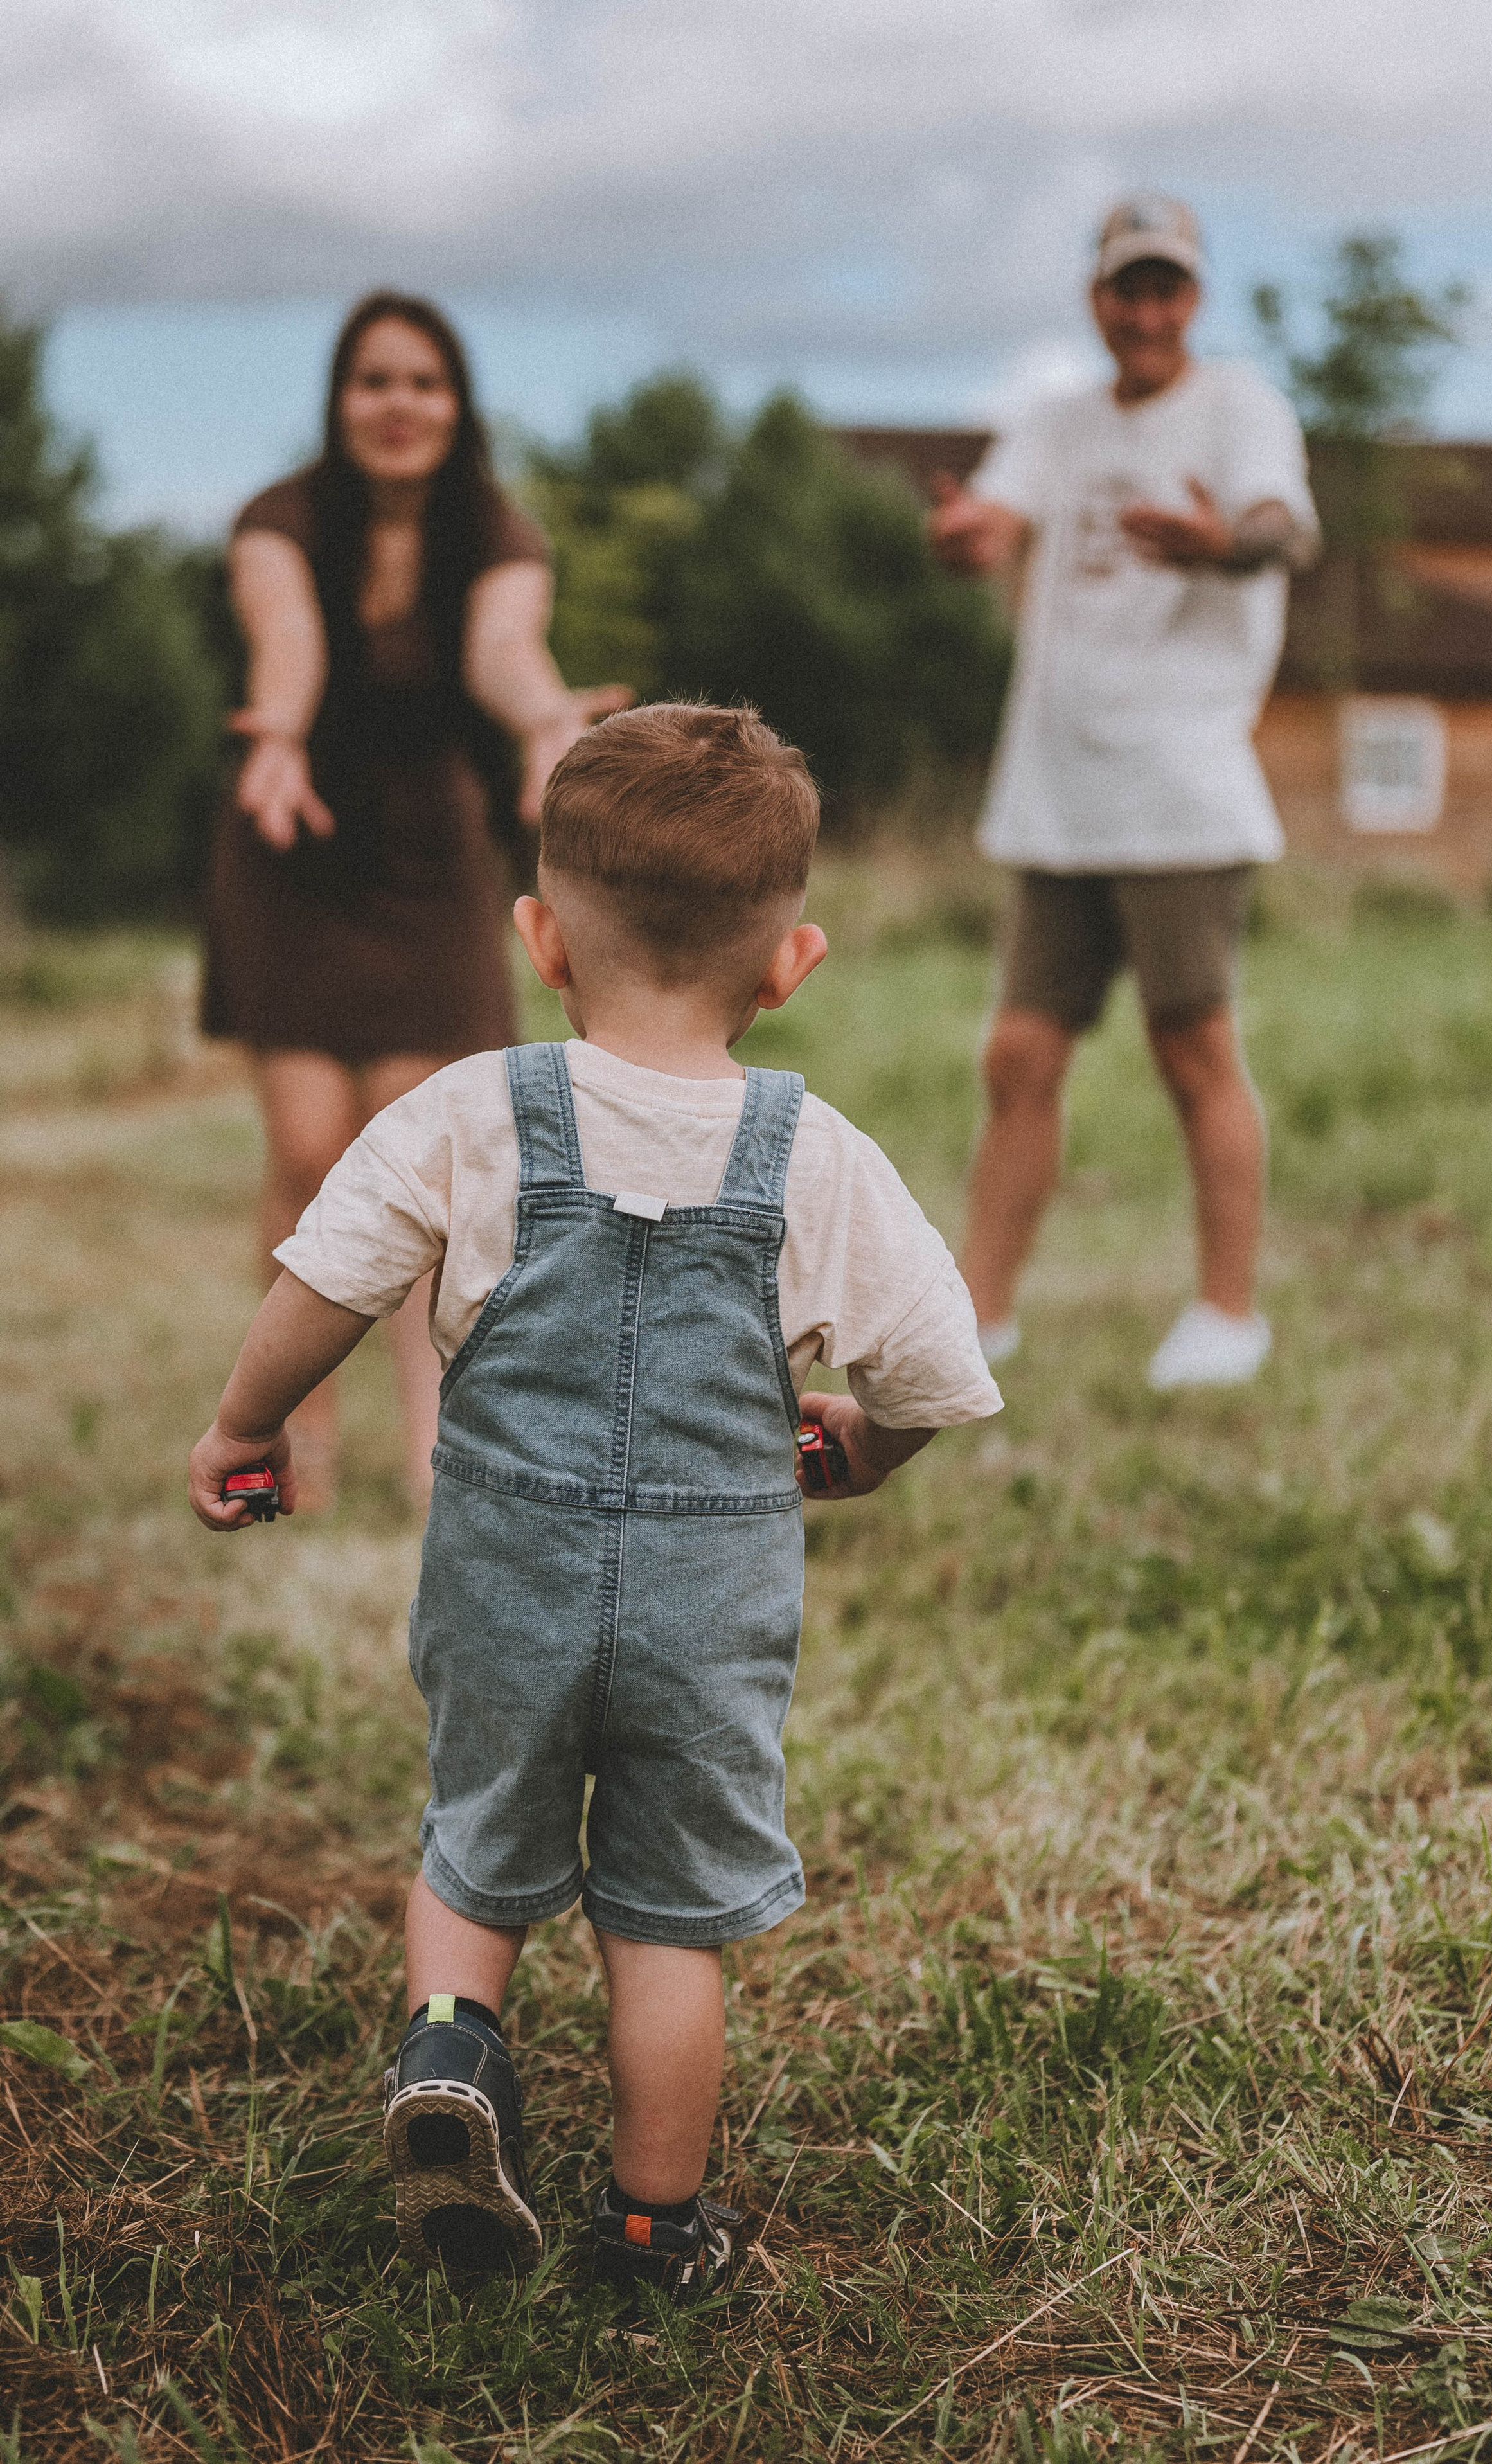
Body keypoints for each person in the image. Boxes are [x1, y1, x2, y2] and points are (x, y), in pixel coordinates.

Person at [187, 704, 1002, 2298]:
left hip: (506, 1568)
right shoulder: (815, 1155)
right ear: (789, 965)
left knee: (474, 1847)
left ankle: (449, 2052)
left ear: (541, 938)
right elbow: (932, 1370)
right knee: (665, 1918)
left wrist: (245, 1423)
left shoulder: (468, 1113)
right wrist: (854, 1445)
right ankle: (652, 2228)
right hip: (710, 1606)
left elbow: (326, 1281)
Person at [201, 290, 628, 1512]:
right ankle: (294, 1437)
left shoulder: (497, 530)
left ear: (457, 403)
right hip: (294, 836)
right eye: (376, 380)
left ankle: (439, 1449)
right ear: (341, 400)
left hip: (429, 857)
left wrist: (545, 721)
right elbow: (289, 641)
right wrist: (280, 733)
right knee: (307, 1150)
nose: (401, 404)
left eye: (425, 382)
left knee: (424, 1160)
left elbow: (504, 649)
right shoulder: (280, 520)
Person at [930, 195, 1319, 1389]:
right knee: (1019, 1055)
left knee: (1191, 1046)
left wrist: (1222, 543)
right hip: (1055, 792)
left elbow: (1285, 531)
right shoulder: (1056, 421)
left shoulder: (1240, 406)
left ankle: (1227, 1316)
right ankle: (980, 1317)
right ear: (1096, 299)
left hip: (1178, 791)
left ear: (1194, 299)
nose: (1146, 312)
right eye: (1126, 289)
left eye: (1166, 289)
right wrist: (974, 536)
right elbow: (999, 517)